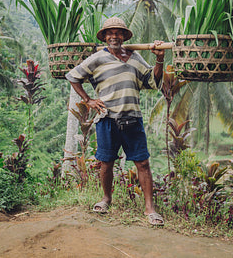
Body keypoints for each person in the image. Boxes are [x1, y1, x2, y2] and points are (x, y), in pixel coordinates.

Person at [66, 16, 165, 226]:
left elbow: (152, 81)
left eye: (118, 32)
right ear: (104, 36)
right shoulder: (97, 58)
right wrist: (88, 100)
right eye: (110, 33)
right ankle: (106, 198)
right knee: (106, 162)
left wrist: (159, 59)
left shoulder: (136, 57)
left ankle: (150, 208)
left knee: (143, 163)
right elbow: (73, 77)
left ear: (124, 36)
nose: (114, 36)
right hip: (107, 119)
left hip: (132, 119)